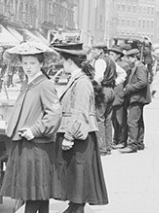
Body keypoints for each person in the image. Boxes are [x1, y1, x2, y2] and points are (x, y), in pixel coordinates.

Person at [1, 42, 61, 213]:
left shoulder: (45, 84)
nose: (28, 67)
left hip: (37, 146)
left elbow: (55, 114)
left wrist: (34, 130)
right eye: (25, 63)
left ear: (41, 64)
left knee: (33, 192)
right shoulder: (28, 84)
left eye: (32, 63)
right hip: (26, 144)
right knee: (39, 194)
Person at [50, 42, 109, 212]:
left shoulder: (81, 82)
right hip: (79, 135)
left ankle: (76, 207)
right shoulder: (78, 79)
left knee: (79, 174)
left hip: (79, 136)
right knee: (75, 174)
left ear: (69, 62)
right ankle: (75, 206)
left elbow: (79, 112)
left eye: (63, 61)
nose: (62, 64)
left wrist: (69, 136)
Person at [118, 48, 149, 154]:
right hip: (137, 97)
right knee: (138, 121)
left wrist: (129, 88)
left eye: (128, 57)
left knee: (132, 121)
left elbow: (142, 82)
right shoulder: (137, 66)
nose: (127, 60)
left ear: (133, 57)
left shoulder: (140, 67)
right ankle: (139, 143)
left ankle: (132, 145)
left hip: (137, 98)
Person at [88, 42, 116, 156]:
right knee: (108, 120)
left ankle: (101, 148)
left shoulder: (100, 61)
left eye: (95, 49)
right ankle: (108, 146)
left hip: (102, 90)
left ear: (101, 51)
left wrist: (91, 85)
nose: (93, 52)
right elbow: (122, 74)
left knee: (99, 119)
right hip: (111, 90)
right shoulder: (111, 60)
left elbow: (99, 77)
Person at [107, 46, 128, 149]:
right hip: (113, 95)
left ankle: (122, 140)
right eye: (110, 54)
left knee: (121, 120)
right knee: (113, 120)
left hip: (120, 95)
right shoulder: (111, 64)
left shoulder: (124, 66)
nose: (110, 56)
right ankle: (116, 139)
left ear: (118, 55)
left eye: (112, 54)